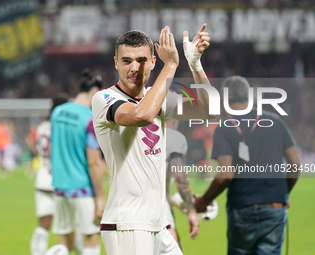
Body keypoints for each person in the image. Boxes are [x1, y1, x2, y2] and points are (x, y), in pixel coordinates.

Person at [92, 24, 213, 255]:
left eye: (142, 60)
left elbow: (209, 110)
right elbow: (142, 115)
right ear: (116, 63)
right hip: (128, 224)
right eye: (126, 60)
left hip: (158, 225)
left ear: (153, 61)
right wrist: (171, 65)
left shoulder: (157, 97)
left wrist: (195, 65)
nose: (134, 68)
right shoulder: (104, 98)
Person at [194, 76, 301, 255]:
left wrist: (203, 202)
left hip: (242, 208)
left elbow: (225, 174)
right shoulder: (275, 121)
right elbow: (295, 165)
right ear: (249, 97)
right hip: (274, 208)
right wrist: (283, 193)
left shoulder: (224, 128)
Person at [45, 69, 105, 255]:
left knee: (64, 240)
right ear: (95, 92)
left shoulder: (57, 113)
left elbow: (52, 149)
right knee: (90, 237)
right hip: (83, 189)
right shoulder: (90, 119)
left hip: (60, 188)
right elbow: (93, 163)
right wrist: (100, 197)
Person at [30, 93, 70, 255]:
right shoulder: (62, 124)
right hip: (60, 178)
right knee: (68, 227)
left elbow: (37, 147)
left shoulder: (42, 126)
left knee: (43, 226)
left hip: (42, 177)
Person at [165, 120, 199, 248]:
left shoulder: (135, 131)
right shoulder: (173, 137)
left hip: (125, 208)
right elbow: (179, 174)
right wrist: (191, 209)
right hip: (158, 207)